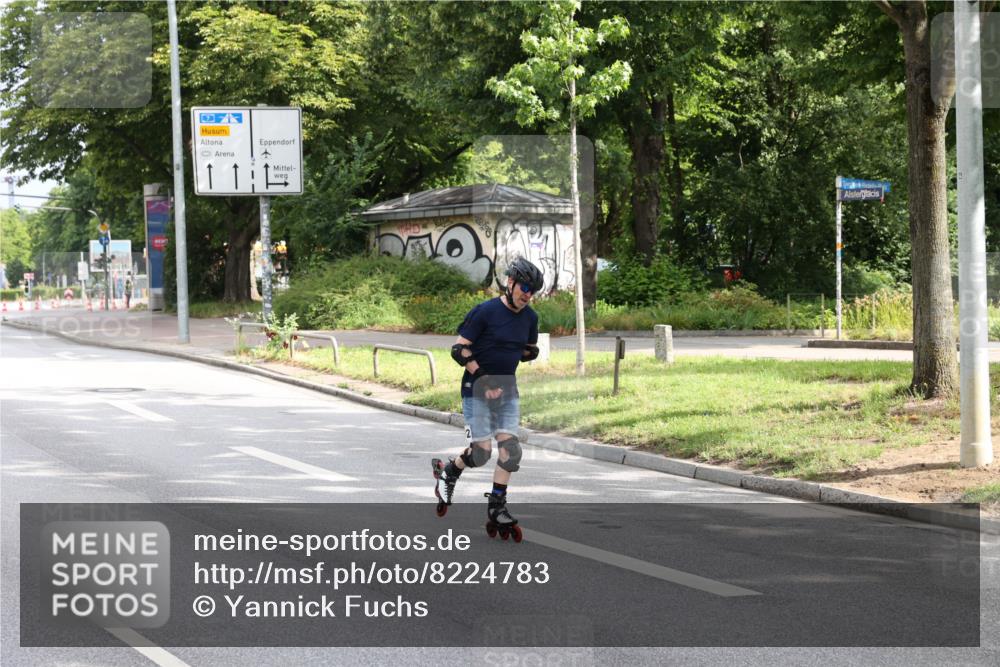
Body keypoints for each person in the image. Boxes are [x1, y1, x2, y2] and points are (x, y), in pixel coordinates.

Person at [432, 257, 544, 540]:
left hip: (507, 390)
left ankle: (497, 506)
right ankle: (450, 471)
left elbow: (529, 348)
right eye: (524, 288)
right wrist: (484, 376)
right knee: (481, 453)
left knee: (511, 450)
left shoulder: (530, 318)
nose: (527, 295)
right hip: (477, 388)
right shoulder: (485, 311)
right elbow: (459, 349)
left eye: (532, 291)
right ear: (510, 282)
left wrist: (526, 352)